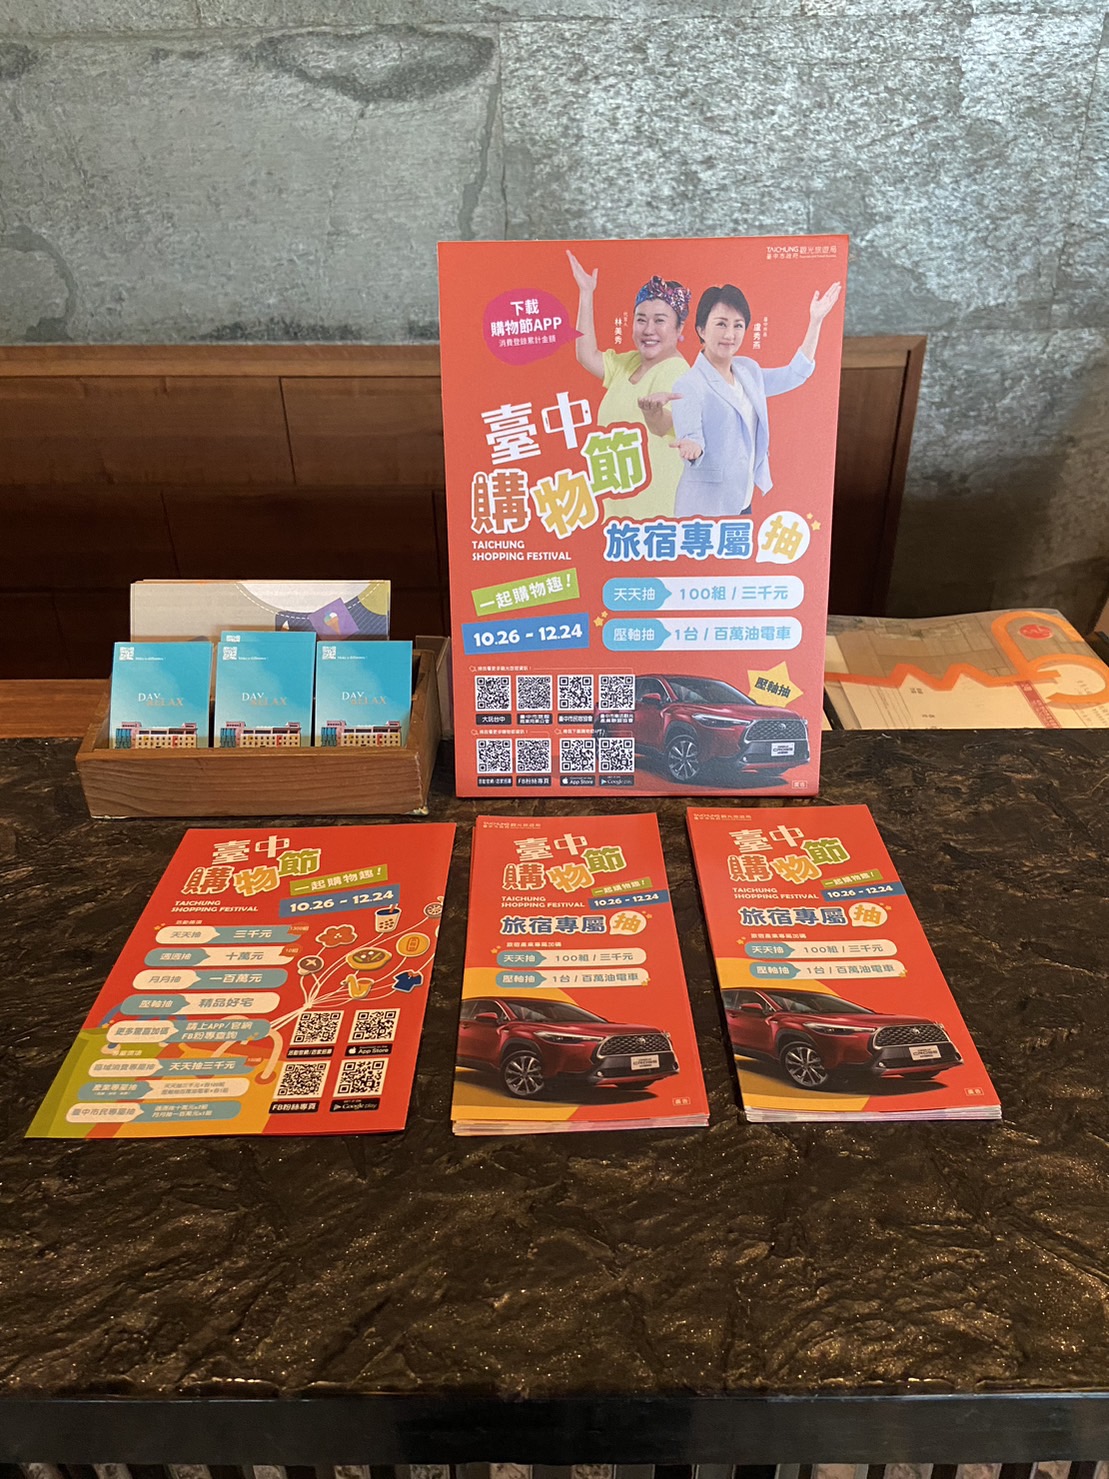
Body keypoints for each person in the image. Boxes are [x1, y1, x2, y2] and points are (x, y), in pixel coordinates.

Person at [658, 280, 841, 518]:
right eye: (721, 324)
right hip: (704, 509)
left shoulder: (748, 371)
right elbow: (691, 436)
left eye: (738, 325)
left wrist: (816, 321)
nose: (729, 334)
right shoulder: (689, 384)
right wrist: (692, 447)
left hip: (742, 500)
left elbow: (793, 375)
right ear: (701, 329)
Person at [567, 251, 691, 519]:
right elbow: (586, 355)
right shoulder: (630, 363)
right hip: (619, 517)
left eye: (660, 320)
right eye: (641, 319)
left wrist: (657, 415)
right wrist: (586, 294)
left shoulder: (677, 372)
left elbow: (676, 425)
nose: (648, 329)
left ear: (679, 328)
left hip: (654, 519)